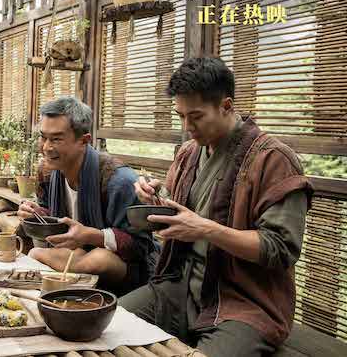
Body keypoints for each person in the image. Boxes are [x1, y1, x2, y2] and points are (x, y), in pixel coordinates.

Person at [118, 57, 314, 356]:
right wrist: (156, 197)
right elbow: (186, 209)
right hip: (180, 286)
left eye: (196, 116)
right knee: (106, 324)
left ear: (226, 106)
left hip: (244, 301)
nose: (187, 127)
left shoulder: (274, 159)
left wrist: (206, 229)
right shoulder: (189, 152)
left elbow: (280, 248)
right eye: (181, 116)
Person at [17, 97, 158, 294]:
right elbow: (55, 216)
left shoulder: (119, 182)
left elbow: (141, 246)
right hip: (76, 253)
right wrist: (37, 213)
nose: (46, 147)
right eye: (43, 137)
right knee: (38, 252)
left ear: (84, 140)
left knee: (99, 258)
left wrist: (92, 236)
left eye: (56, 139)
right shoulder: (47, 172)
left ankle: (69, 279)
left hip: (124, 267)